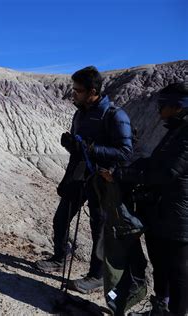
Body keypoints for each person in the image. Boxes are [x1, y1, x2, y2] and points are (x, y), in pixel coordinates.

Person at [35, 66, 133, 294]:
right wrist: (71, 145)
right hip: (79, 175)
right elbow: (80, 149)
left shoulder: (115, 115)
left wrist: (92, 148)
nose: (73, 94)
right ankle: (60, 257)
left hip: (103, 179)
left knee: (99, 228)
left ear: (93, 91)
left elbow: (125, 152)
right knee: (61, 218)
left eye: (77, 90)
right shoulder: (80, 113)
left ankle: (96, 276)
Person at [102, 82, 188, 316]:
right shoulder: (176, 131)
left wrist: (122, 174)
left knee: (178, 272)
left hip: (179, 218)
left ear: (177, 106)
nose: (159, 111)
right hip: (162, 212)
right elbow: (154, 163)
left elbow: (167, 172)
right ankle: (160, 309)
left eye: (162, 105)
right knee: (160, 266)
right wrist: (128, 167)